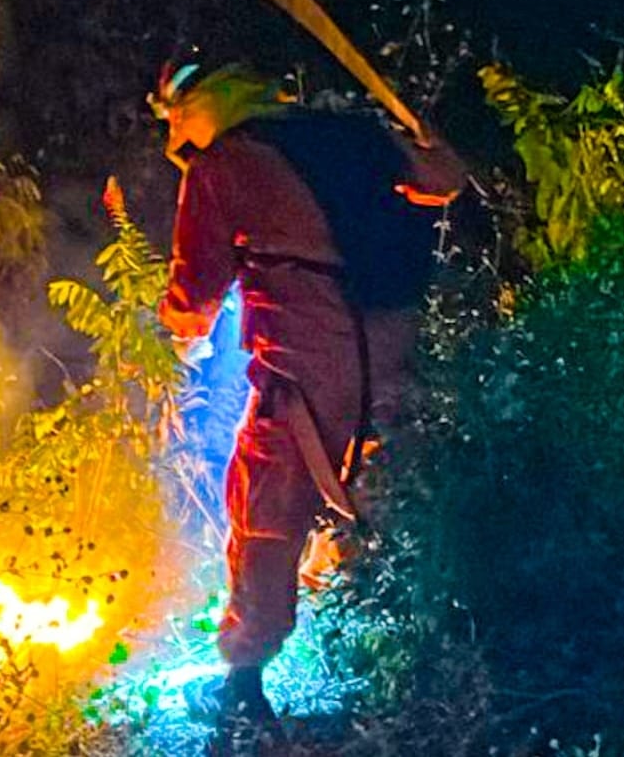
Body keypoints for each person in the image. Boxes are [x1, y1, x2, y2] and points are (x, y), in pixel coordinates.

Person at [149, 62, 464, 751]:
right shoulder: (346, 133)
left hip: (307, 367)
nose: (173, 134)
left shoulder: (224, 165)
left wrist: (181, 335)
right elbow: (444, 183)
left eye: (172, 117)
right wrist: (431, 143)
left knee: (266, 505)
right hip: (391, 351)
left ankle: (242, 686)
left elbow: (193, 293)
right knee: (397, 494)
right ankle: (442, 653)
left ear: (194, 109)